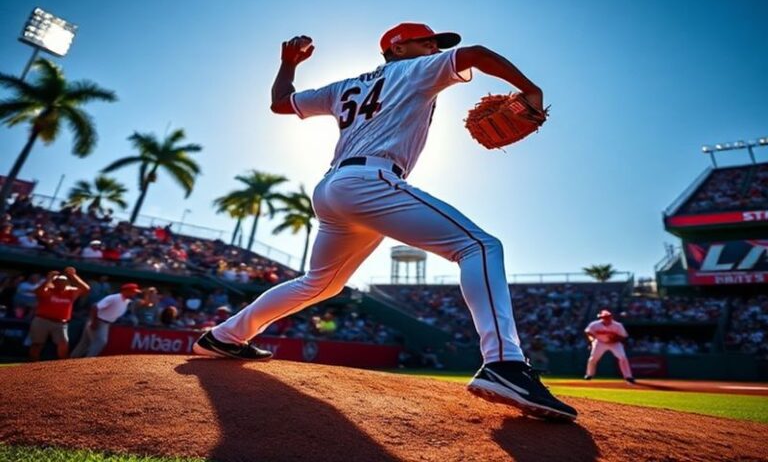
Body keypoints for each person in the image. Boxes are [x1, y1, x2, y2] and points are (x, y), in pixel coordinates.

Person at [193, 22, 577, 420]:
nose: (433, 47)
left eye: (435, 43)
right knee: (479, 246)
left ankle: (224, 336)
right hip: (368, 181)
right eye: (424, 41)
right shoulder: (415, 69)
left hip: (333, 189)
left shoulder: (344, 86)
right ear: (396, 48)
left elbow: (281, 102)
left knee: (321, 283)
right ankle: (504, 364)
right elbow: (477, 54)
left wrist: (288, 64)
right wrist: (532, 90)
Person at [29, 267, 91, 361]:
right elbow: (37, 292)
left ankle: (62, 367)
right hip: (42, 320)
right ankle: (31, 366)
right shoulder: (49, 290)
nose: (62, 283)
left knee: (63, 344)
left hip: (60, 323)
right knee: (37, 344)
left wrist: (73, 275)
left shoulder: (71, 292)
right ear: (55, 282)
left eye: (64, 281)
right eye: (59, 281)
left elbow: (86, 289)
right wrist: (48, 279)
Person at [71, 282, 142, 358]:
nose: (134, 294)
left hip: (104, 323)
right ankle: (87, 361)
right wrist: (94, 322)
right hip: (99, 321)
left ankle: (71, 360)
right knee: (100, 342)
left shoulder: (127, 301)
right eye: (133, 292)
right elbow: (95, 307)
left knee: (85, 343)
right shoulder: (114, 298)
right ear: (126, 291)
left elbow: (141, 303)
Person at [584, 309, 635, 383]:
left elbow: (624, 336)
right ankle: (589, 375)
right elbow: (588, 332)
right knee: (593, 358)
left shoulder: (617, 325)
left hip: (614, 343)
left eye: (608, 317)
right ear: (601, 318)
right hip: (600, 342)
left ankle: (628, 376)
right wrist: (591, 341)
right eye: (604, 317)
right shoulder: (594, 324)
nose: (606, 318)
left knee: (623, 357)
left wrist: (616, 338)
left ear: (611, 317)